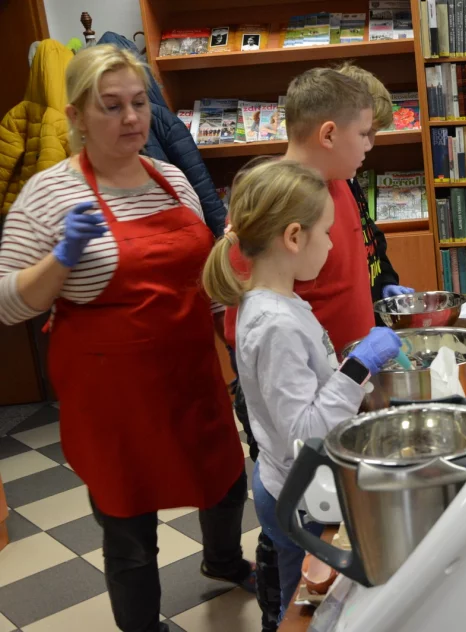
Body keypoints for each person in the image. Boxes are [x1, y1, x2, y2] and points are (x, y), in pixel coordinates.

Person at [0, 45, 250, 632]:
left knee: (225, 475)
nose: (131, 118)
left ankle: (222, 560)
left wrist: (238, 324)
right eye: (110, 106)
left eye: (138, 103)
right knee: (129, 520)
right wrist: (60, 261)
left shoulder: (170, 179)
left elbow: (205, 274)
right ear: (78, 116)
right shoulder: (50, 195)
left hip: (190, 371)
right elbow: (8, 304)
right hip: (112, 393)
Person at [203, 159, 401, 621]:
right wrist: (357, 368)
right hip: (296, 491)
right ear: (293, 237)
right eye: (327, 233)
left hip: (291, 482)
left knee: (294, 588)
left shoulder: (280, 300)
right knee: (301, 605)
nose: (333, 244)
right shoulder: (274, 325)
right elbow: (304, 434)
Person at [223, 68, 380, 354]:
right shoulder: (271, 202)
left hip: (353, 377)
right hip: (311, 383)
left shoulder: (340, 179)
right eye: (362, 134)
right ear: (329, 135)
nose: (368, 145)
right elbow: (247, 327)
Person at [335, 62, 415, 308]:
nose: (370, 145)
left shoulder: (349, 177)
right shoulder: (328, 186)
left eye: (374, 134)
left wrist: (384, 282)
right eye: (365, 133)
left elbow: (370, 235)